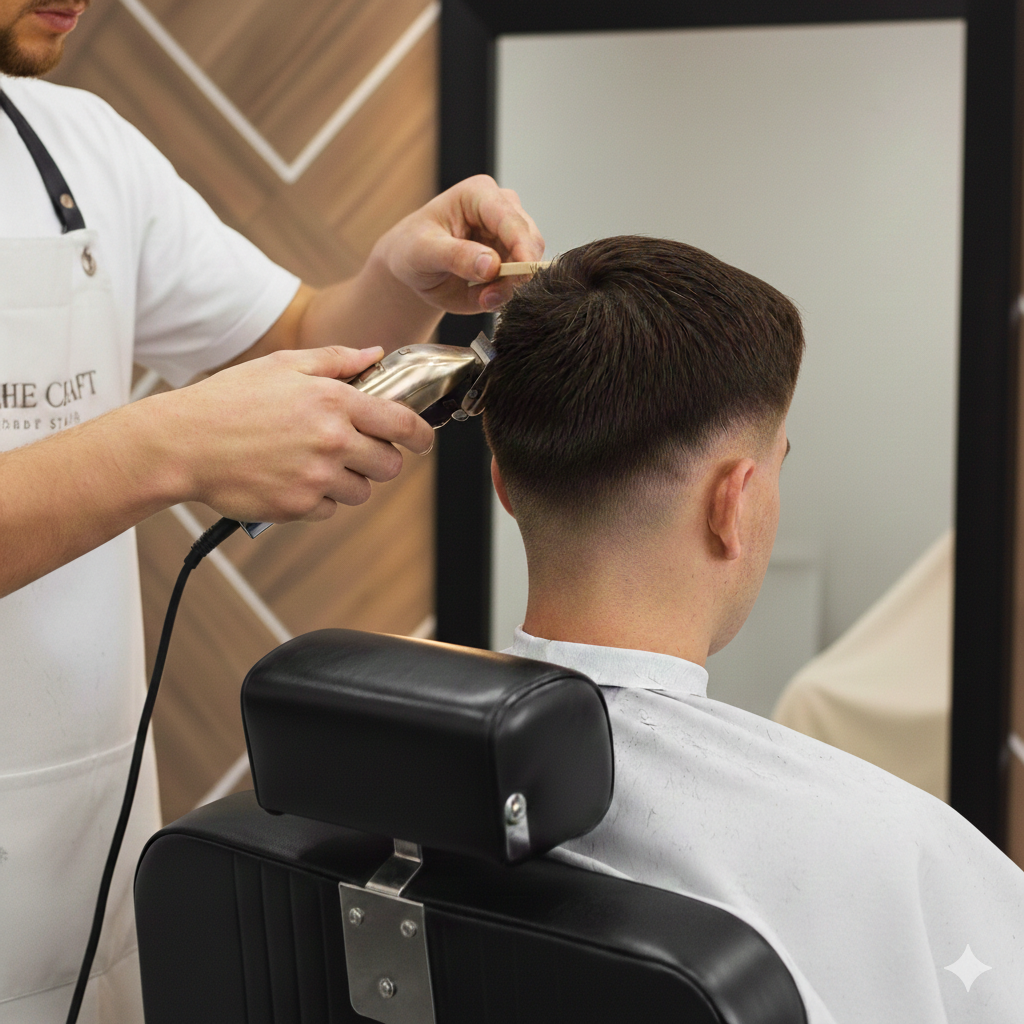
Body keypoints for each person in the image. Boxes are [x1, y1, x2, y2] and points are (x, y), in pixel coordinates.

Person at [0, 2, 543, 1021]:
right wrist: (166, 446)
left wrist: (394, 275)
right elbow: (176, 435)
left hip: (84, 876)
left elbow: (287, 336)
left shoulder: (79, 146)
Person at [483, 236, 1024, 1023]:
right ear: (730, 504)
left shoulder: (387, 783)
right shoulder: (895, 851)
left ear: (502, 483)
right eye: (779, 464)